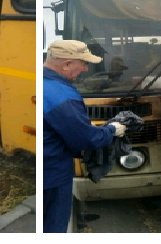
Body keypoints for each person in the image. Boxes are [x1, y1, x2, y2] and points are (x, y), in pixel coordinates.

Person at [43, 40, 126, 233]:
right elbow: (86, 139)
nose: (87, 69)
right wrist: (112, 130)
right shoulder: (61, 95)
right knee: (53, 226)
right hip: (53, 174)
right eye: (84, 63)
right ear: (67, 64)